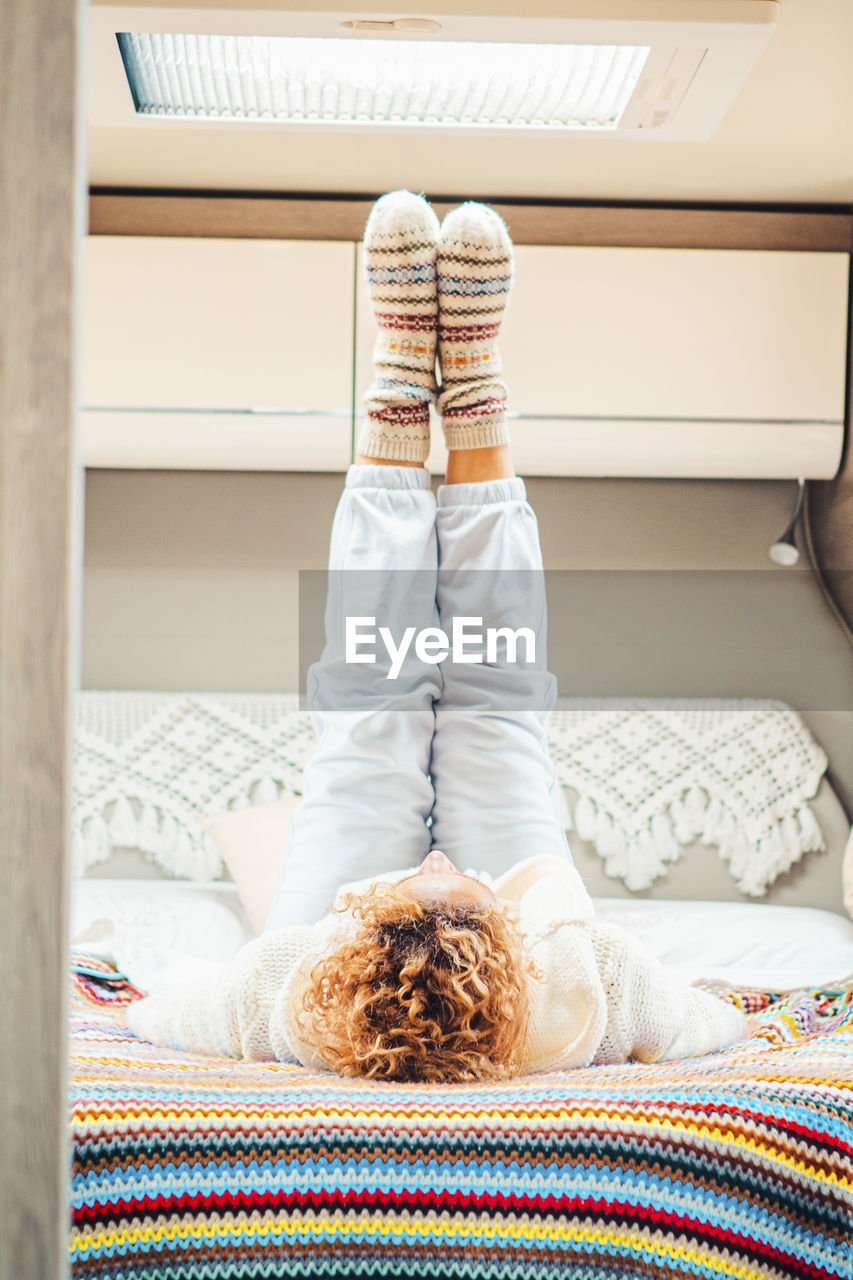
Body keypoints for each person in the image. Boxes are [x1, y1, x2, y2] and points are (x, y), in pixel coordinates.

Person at [126, 192, 748, 1082]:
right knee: (495, 713)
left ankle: (397, 381)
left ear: (361, 922)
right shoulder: (581, 985)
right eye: (458, 875)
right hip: (496, 939)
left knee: (370, 719)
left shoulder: (286, 988)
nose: (436, 847)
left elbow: (159, 1017)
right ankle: (474, 383)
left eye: (418, 870)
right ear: (513, 941)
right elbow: (710, 1023)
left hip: (336, 934)